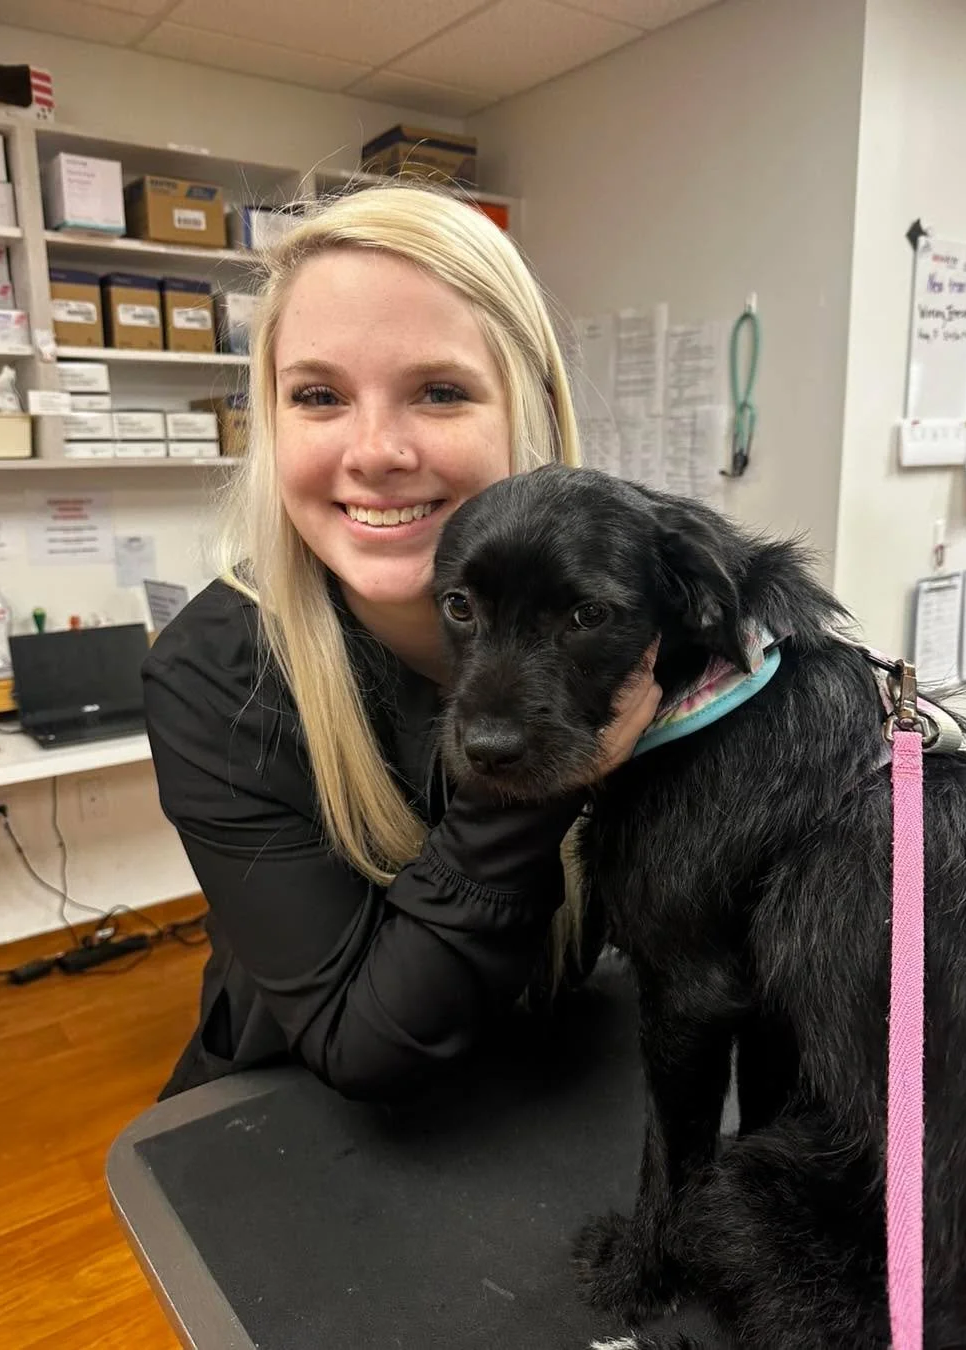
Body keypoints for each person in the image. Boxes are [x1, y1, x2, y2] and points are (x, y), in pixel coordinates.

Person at [143, 185, 661, 1102]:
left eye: (440, 391)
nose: (376, 450)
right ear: (270, 422)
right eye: (318, 396)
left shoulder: (633, 619)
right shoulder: (214, 676)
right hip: (295, 1129)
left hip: (551, 1090)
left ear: (529, 410)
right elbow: (362, 1042)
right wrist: (539, 768)